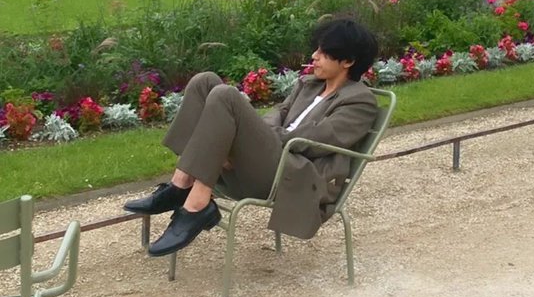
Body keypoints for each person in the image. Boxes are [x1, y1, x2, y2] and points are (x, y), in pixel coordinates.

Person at [123, 18, 379, 255]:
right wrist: (250, 137)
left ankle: (197, 205)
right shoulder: (308, 84)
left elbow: (317, 140)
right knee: (205, 82)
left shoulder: (359, 101)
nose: (314, 56)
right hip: (265, 161)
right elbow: (277, 113)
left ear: (348, 61)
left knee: (225, 95)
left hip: (289, 174)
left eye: (324, 52)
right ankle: (181, 185)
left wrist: (245, 138)